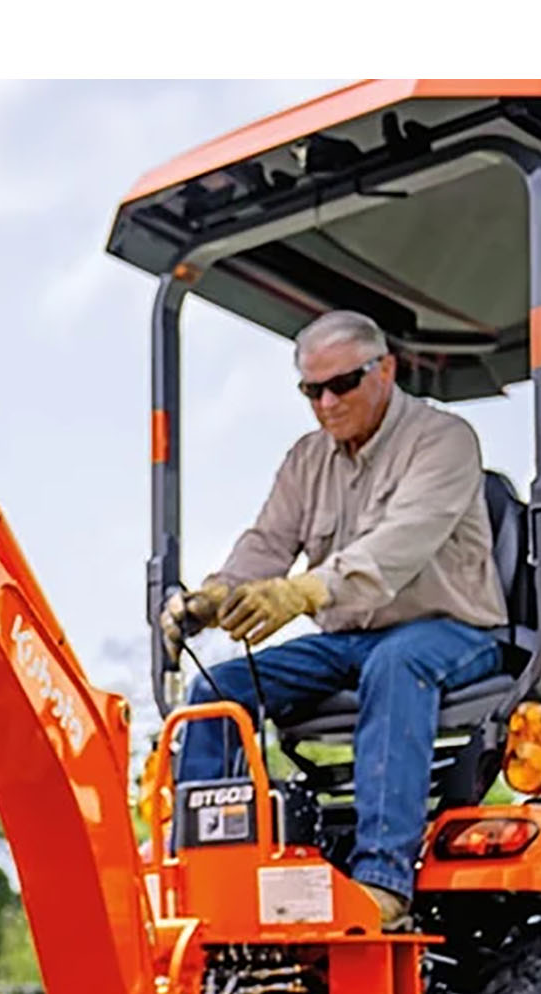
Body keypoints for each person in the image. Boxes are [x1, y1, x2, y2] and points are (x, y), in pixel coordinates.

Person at [161, 310, 507, 928]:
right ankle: (200, 875)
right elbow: (267, 542)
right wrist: (214, 597)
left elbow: (396, 546)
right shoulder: (307, 459)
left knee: (398, 665)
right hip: (350, 640)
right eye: (310, 390)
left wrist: (298, 594)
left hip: (452, 630)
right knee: (217, 690)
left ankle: (382, 881)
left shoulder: (444, 441)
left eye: (341, 385)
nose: (325, 403)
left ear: (386, 370)